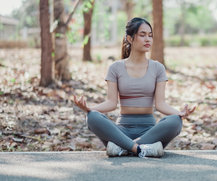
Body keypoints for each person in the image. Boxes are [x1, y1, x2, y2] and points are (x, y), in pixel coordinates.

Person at [73, 17, 196, 158]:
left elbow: (161, 104)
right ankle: (141, 149)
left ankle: (124, 148)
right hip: (121, 131)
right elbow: (111, 103)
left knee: (175, 121)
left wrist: (180, 113)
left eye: (150, 35)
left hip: (150, 132)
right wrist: (89, 109)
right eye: (142, 35)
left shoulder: (158, 68)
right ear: (130, 39)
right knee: (92, 117)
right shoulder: (115, 68)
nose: (147, 39)